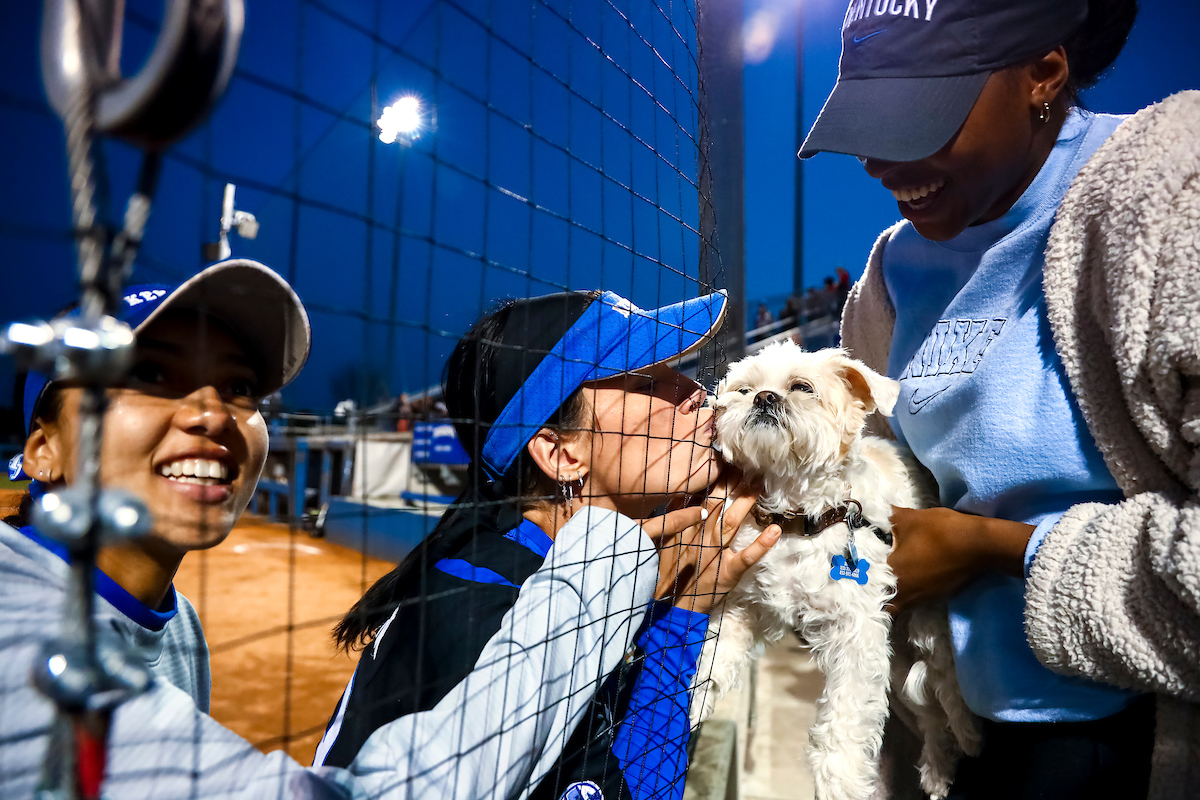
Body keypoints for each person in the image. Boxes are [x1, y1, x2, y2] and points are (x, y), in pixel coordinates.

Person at [0, 265, 773, 800]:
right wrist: (667, 608)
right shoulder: (469, 610)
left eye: (238, 388)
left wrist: (677, 605)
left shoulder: (174, 625)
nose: (209, 415)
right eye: (148, 377)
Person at [801, 0, 1199, 797]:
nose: (878, 162)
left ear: (1042, 73)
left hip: (1133, 742)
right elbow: (889, 476)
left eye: (917, 117)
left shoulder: (1168, 198)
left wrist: (994, 548)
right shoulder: (894, 273)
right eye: (866, 119)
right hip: (964, 731)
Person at [317, 289, 781, 800]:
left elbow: (628, 771)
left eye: (679, 369)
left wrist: (685, 607)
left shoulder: (570, 571)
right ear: (561, 454)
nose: (695, 390)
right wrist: (679, 620)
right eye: (648, 380)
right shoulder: (485, 615)